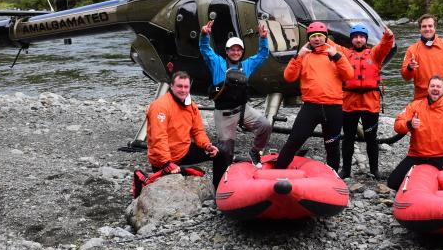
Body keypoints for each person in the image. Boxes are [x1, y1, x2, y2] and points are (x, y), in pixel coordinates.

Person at [199, 19, 273, 186]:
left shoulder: (247, 65)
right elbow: (204, 49)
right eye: (232, 49)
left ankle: (255, 152)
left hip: (242, 109)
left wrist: (263, 38)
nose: (235, 52)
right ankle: (222, 183)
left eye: (238, 49)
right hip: (223, 114)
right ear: (227, 51)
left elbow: (262, 55)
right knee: (226, 152)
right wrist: (204, 35)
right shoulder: (217, 62)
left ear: (242, 52)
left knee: (265, 126)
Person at [274, 21, 354, 171]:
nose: (317, 39)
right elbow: (289, 77)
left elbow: (349, 75)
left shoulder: (336, 54)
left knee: (332, 145)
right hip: (311, 107)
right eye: (313, 36)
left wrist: (336, 56)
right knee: (294, 140)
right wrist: (298, 56)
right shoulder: (304, 56)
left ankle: (333, 177)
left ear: (325, 37)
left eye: (320, 36)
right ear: (309, 38)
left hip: (334, 108)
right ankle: (278, 170)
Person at [386, 75, 443, 191]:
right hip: (417, 155)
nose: (435, 88)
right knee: (392, 183)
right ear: (428, 89)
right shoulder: (415, 105)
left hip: (442, 156)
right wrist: (409, 124)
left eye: (438, 86)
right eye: (432, 86)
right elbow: (397, 125)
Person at [338, 23, 395, 179]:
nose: (358, 39)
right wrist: (318, 34)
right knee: (348, 137)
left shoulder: (375, 54)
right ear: (351, 39)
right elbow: (331, 46)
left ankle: (374, 170)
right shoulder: (345, 54)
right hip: (350, 101)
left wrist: (388, 36)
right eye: (355, 37)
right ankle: (346, 169)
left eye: (361, 37)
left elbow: (385, 45)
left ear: (365, 39)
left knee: (371, 138)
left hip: (370, 103)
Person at [145, 71, 218, 177]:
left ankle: (218, 187)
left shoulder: (191, 105)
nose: (183, 90)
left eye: (186, 87)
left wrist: (207, 146)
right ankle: (181, 171)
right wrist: (167, 163)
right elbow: (158, 138)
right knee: (186, 175)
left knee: (221, 151)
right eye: (179, 86)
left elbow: (198, 131)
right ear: (171, 86)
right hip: (163, 160)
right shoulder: (160, 106)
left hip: (183, 151)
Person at [400, 14, 443, 100]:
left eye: (430, 26)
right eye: (424, 26)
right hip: (421, 98)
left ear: (435, 27)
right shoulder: (412, 50)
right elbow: (405, 77)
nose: (427, 29)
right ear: (420, 29)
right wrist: (409, 68)